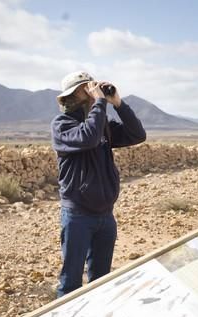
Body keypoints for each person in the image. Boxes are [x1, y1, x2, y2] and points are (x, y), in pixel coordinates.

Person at [51, 71, 146, 298]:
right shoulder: (62, 125)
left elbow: (137, 135)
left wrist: (118, 104)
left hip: (105, 215)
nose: (93, 91)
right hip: (78, 216)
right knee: (71, 282)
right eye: (88, 88)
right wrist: (100, 104)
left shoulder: (100, 122)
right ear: (74, 95)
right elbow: (89, 137)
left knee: (101, 280)